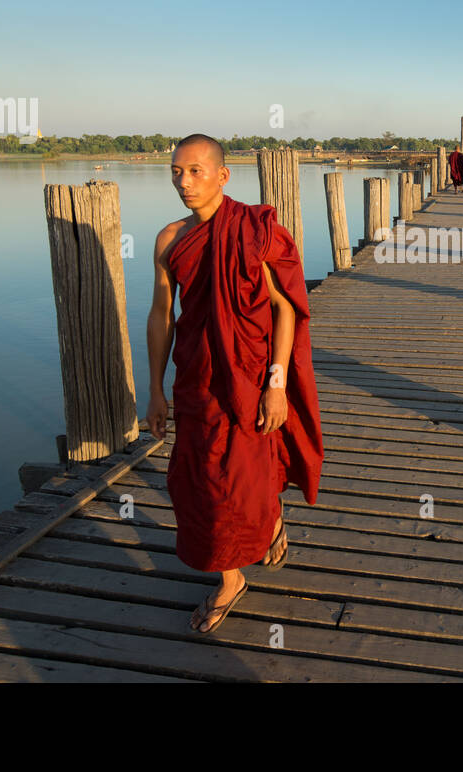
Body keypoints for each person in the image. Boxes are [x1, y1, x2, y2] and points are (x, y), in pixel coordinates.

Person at [146, 134, 324, 633]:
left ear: (223, 175)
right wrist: (155, 389)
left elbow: (284, 308)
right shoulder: (169, 239)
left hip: (249, 373)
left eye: (196, 170)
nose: (184, 181)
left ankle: (259, 535)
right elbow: (161, 316)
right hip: (197, 379)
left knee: (248, 468)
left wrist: (276, 382)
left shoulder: (253, 229)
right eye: (177, 171)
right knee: (202, 478)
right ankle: (232, 576)